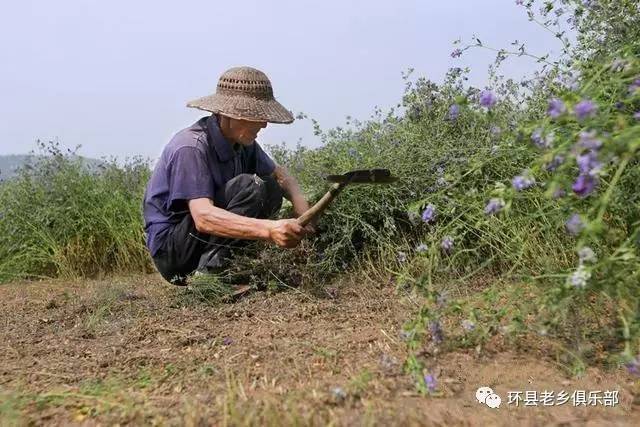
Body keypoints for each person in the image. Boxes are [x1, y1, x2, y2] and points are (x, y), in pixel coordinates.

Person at [143, 66, 313, 285]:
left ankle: (230, 266)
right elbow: (203, 217)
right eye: (256, 116)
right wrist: (271, 230)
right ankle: (210, 277)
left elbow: (280, 175)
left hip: (201, 240)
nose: (264, 124)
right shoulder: (190, 147)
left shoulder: (243, 143)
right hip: (174, 251)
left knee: (270, 187)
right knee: (251, 186)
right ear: (231, 114)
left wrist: (303, 210)